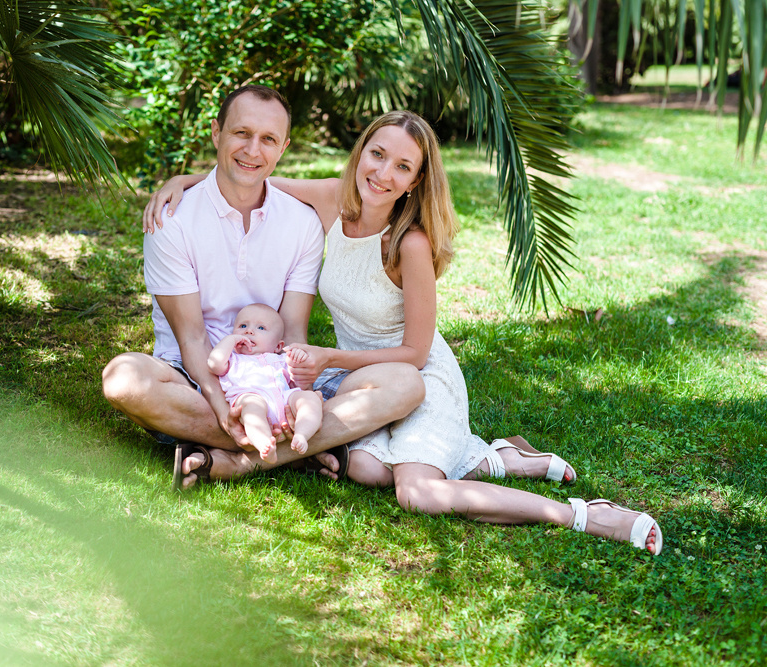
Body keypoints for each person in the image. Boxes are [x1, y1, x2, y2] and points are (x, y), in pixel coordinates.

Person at [144, 110, 663, 553]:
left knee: (417, 493)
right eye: (376, 154)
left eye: (402, 167)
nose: (383, 173)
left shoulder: (409, 244)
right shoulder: (332, 200)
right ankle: (493, 457)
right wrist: (180, 183)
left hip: (416, 375)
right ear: (360, 153)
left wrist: (327, 358)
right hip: (362, 379)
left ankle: (580, 513)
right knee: (366, 469)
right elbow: (250, 178)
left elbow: (416, 352)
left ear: (415, 180)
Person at [102, 86, 426, 492]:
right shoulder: (172, 219)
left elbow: (292, 332)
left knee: (406, 382)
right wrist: (223, 408)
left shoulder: (302, 222)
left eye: (268, 139)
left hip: (273, 376)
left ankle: (239, 461)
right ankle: (302, 448)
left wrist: (293, 397)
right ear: (217, 133)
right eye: (242, 133)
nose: (253, 150)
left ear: (283, 148)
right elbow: (193, 337)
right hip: (194, 378)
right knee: (122, 379)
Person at [209, 303, 323, 463]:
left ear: (278, 346)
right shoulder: (232, 358)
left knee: (309, 398)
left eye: (261, 328)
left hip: (284, 399)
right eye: (242, 326)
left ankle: (302, 434)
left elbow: (299, 382)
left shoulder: (280, 358)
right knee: (250, 407)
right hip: (251, 397)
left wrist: (298, 358)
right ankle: (264, 443)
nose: (248, 331)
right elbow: (214, 364)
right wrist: (230, 340)